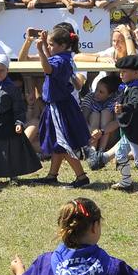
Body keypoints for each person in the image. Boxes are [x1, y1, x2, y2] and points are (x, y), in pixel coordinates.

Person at [34, 27, 93, 188]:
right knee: (57, 142)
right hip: (58, 105)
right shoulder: (60, 56)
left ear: (63, 45)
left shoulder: (62, 60)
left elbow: (48, 68)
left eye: (51, 44)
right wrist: (46, 48)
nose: (49, 47)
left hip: (59, 106)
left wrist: (40, 49)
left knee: (64, 142)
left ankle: (81, 177)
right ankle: (52, 175)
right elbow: (50, 60)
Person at [0, 53, 42, 186]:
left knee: (9, 151)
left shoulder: (11, 88)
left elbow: (18, 107)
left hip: (8, 123)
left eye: (1, 71)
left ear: (7, 70)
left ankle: (13, 176)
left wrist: (18, 123)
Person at [109, 49, 138, 196]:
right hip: (129, 129)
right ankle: (126, 181)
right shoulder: (130, 86)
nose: (121, 74)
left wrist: (123, 107)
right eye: (120, 71)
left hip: (136, 129)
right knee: (120, 154)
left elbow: (136, 104)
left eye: (125, 71)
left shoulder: (136, 88)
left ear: (136, 73)